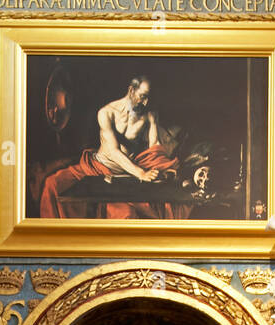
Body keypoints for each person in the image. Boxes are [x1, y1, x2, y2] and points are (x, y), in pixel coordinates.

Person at [39, 75, 183, 220]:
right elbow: (113, 151)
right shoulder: (106, 112)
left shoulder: (150, 115)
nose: (146, 103)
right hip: (97, 167)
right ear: (131, 90)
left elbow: (154, 148)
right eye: (143, 96)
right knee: (52, 185)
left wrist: (162, 169)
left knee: (126, 214)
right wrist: (141, 173)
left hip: (125, 174)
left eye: (148, 98)